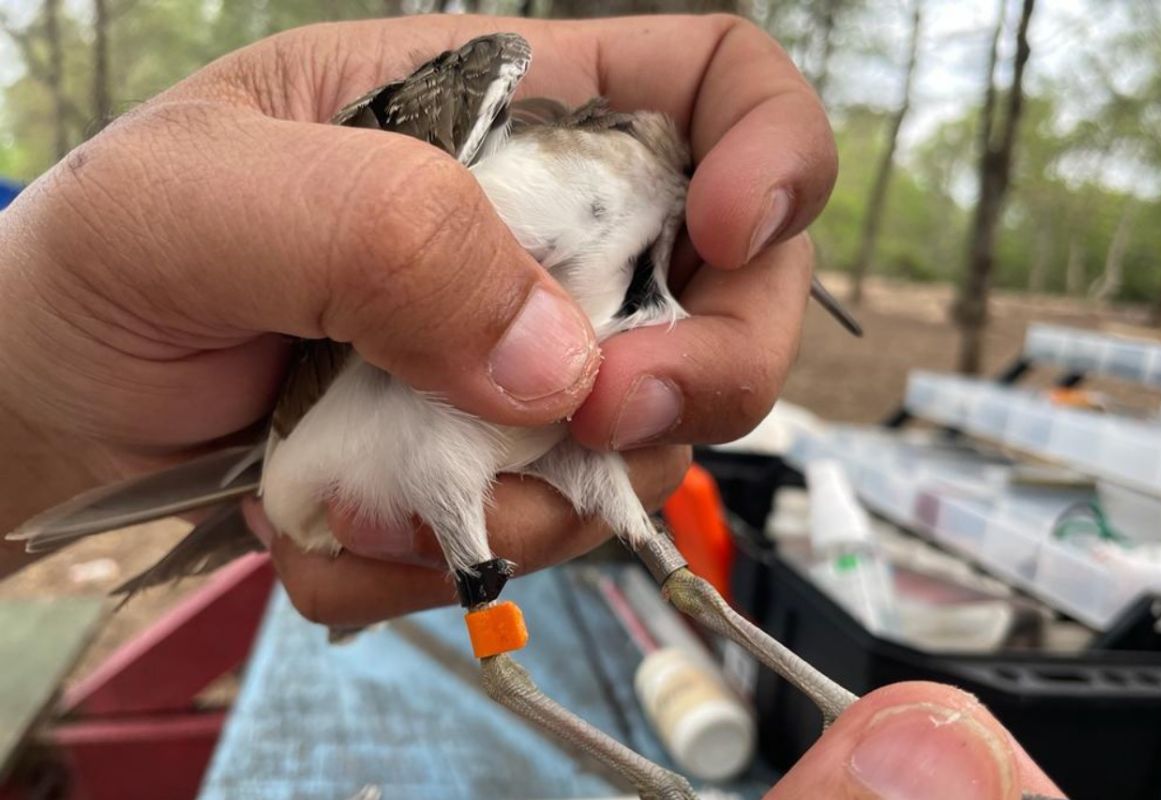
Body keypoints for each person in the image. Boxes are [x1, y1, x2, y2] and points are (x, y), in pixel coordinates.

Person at [0, 14, 1062, 799]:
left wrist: (46, 425)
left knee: (677, 574)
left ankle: (848, 715)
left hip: (466, 444)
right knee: (515, 648)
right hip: (374, 439)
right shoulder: (498, 109)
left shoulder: (645, 278)